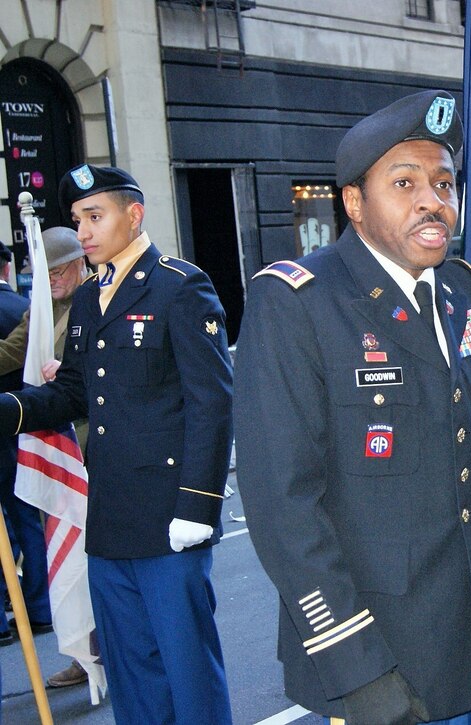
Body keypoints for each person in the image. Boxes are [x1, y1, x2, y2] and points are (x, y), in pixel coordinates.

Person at [233, 90, 471, 724]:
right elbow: (285, 505)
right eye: (404, 181)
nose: (431, 200)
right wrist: (357, 667)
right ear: (354, 203)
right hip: (382, 661)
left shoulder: (466, 295)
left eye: (444, 183)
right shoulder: (299, 303)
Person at [0, 164, 234, 723]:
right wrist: (8, 409)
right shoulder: (87, 299)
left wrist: (198, 506)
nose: (83, 230)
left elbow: (213, 402)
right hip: (108, 517)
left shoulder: (180, 286)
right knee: (132, 671)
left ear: (134, 214)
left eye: (95, 215)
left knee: (186, 668)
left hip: (169, 516)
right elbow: (75, 391)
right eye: (78, 218)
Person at [0, 227, 91, 686]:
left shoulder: (99, 300)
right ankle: (87, 653)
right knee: (69, 558)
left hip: (92, 447)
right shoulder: (40, 311)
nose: (52, 280)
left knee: (96, 560)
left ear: (80, 263)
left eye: (58, 271)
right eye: (43, 273)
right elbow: (10, 353)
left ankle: (110, 651)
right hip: (58, 448)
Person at [0, 242, 47, 648]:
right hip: (26, 430)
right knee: (29, 520)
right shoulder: (22, 308)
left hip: (20, 425)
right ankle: (40, 606)